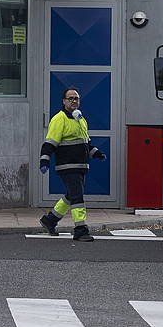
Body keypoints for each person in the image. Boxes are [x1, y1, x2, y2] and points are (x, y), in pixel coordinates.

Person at [38, 87, 106, 241]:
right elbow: (50, 143)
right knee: (77, 196)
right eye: (70, 98)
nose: (74, 101)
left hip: (81, 165)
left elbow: (86, 143)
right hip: (67, 166)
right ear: (63, 101)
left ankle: (50, 221)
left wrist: (96, 153)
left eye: (76, 98)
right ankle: (80, 229)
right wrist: (44, 160)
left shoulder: (81, 119)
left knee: (71, 195)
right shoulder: (59, 118)